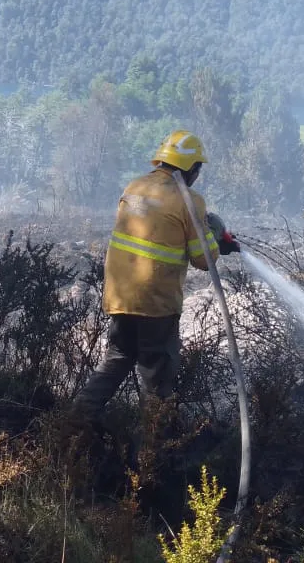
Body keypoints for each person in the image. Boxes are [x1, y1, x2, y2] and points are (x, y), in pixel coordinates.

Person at [73, 130, 240, 416]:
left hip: (120, 295)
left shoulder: (135, 188)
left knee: (117, 358)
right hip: (156, 302)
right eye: (197, 168)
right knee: (157, 381)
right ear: (192, 168)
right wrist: (214, 237)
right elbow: (204, 259)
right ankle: (153, 449)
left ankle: (73, 423)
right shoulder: (189, 200)